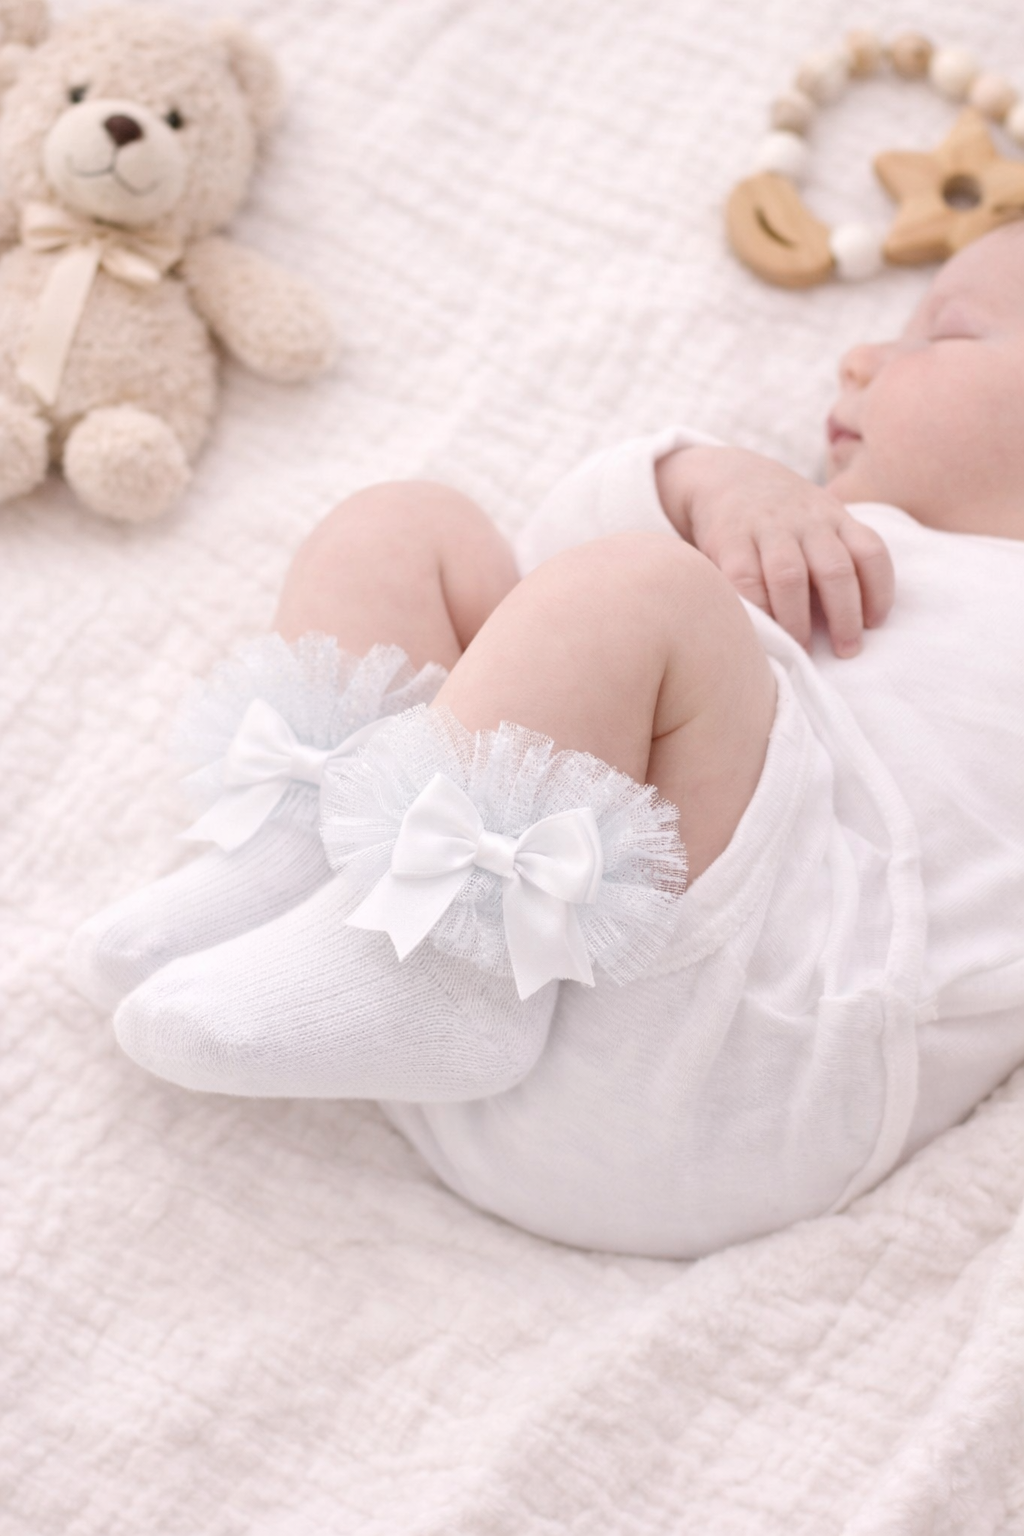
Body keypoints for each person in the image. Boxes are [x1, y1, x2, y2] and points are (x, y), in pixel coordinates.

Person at [69, 223, 1024, 1258]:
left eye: (948, 333)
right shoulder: (812, 525)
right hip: (545, 950)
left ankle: (433, 969)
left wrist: (665, 571)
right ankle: (305, 864)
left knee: (641, 592)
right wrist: (706, 481)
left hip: (732, 1059)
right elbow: (553, 572)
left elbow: (607, 593)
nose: (863, 357)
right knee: (406, 526)